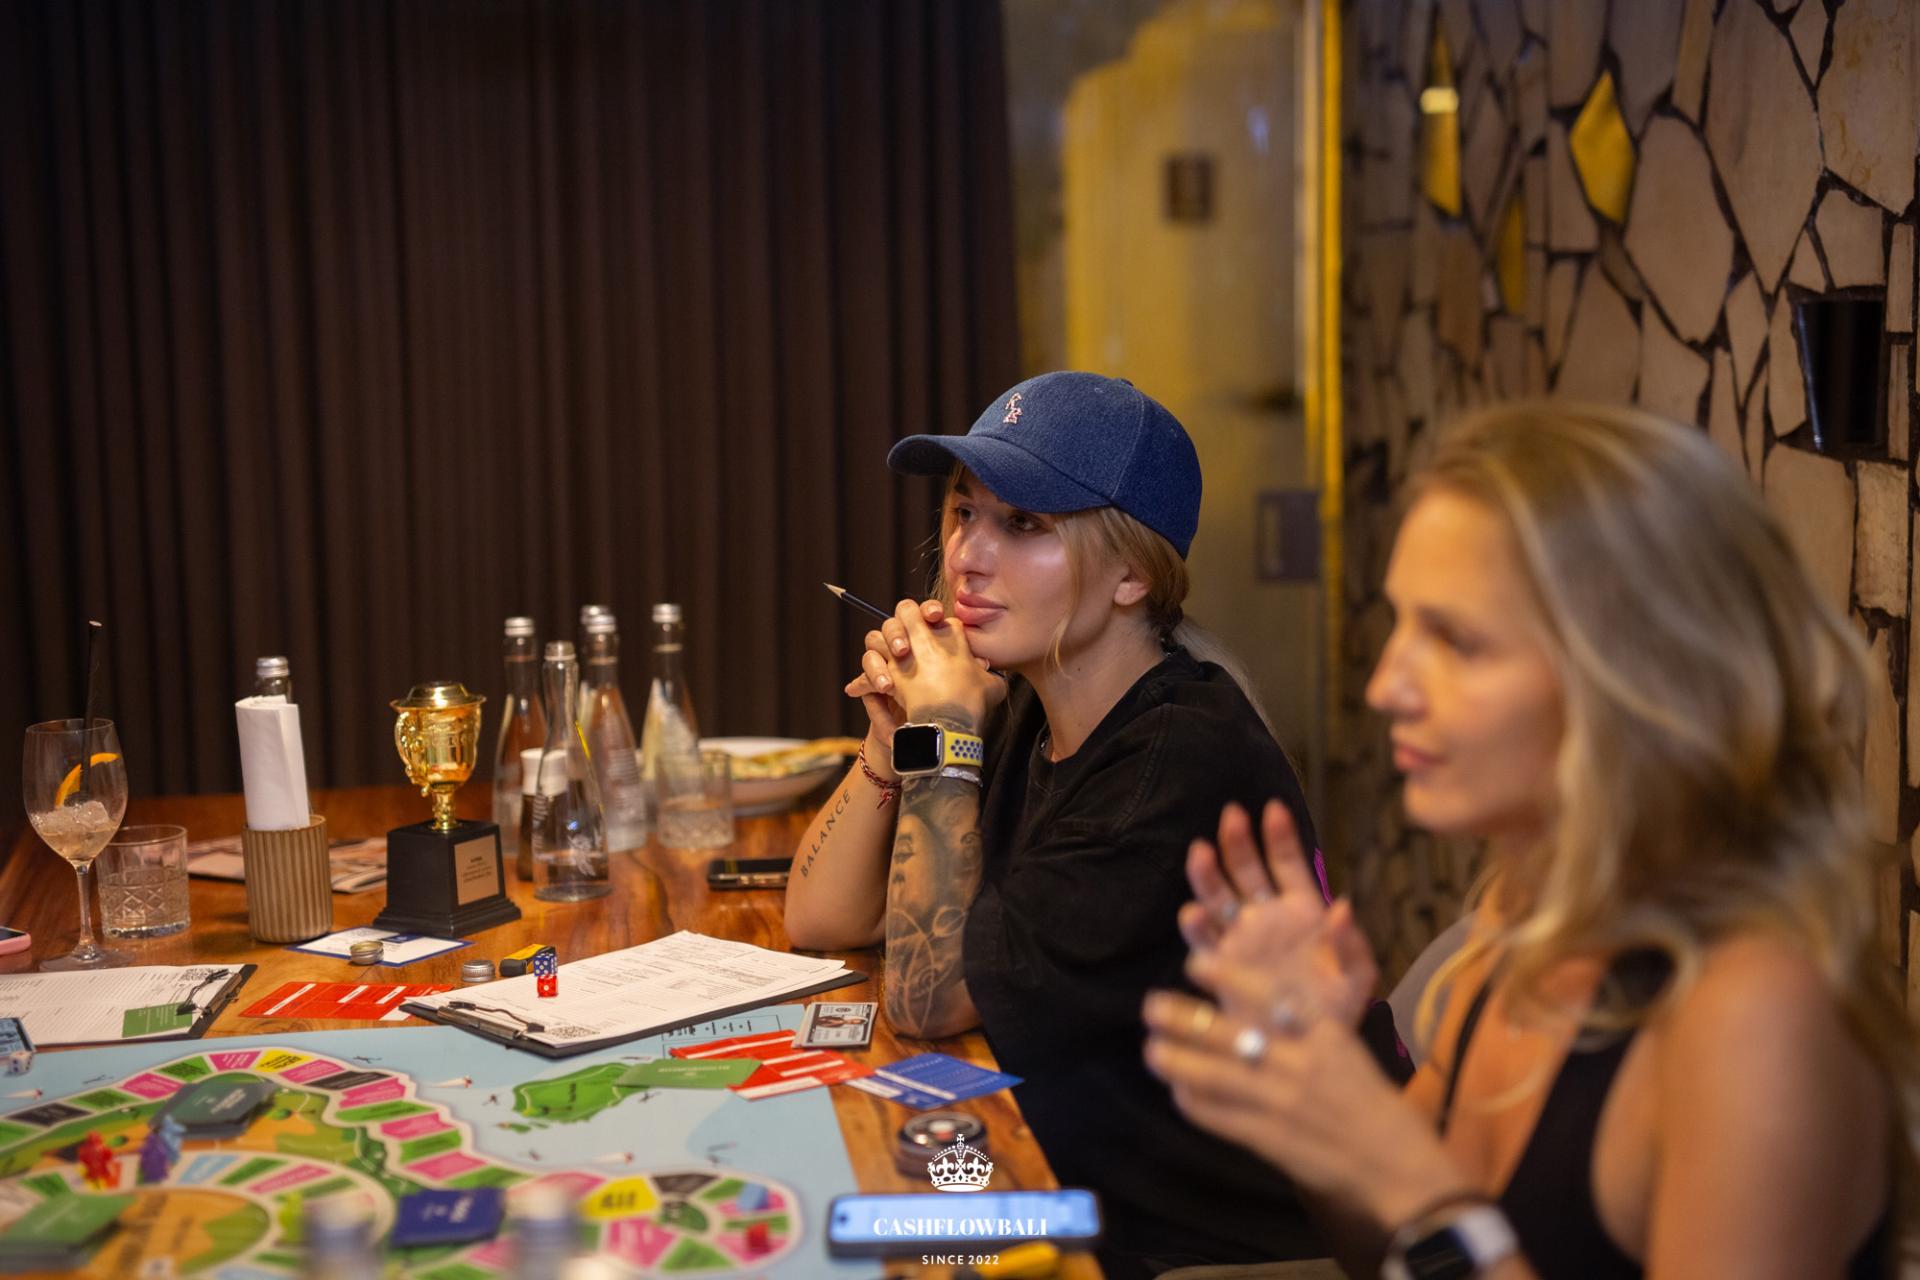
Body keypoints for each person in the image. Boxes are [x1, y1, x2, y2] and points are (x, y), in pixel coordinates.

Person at [1142, 402, 1916, 1278]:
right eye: (1402, 624)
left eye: (1457, 641)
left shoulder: (1752, 1017)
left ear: (1631, 677)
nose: (1388, 685)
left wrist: (1407, 1181)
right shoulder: (1513, 936)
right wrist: (1326, 1078)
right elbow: (1387, 1255)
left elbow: (1427, 1217)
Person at [785, 371, 1331, 1275]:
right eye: (965, 512)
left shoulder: (1174, 759)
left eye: (1025, 524)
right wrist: (893, 738)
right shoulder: (1035, 699)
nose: (968, 555)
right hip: (1058, 1168)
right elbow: (822, 921)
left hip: (1186, 1247)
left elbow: (924, 1000)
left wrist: (945, 730)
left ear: (1132, 575)